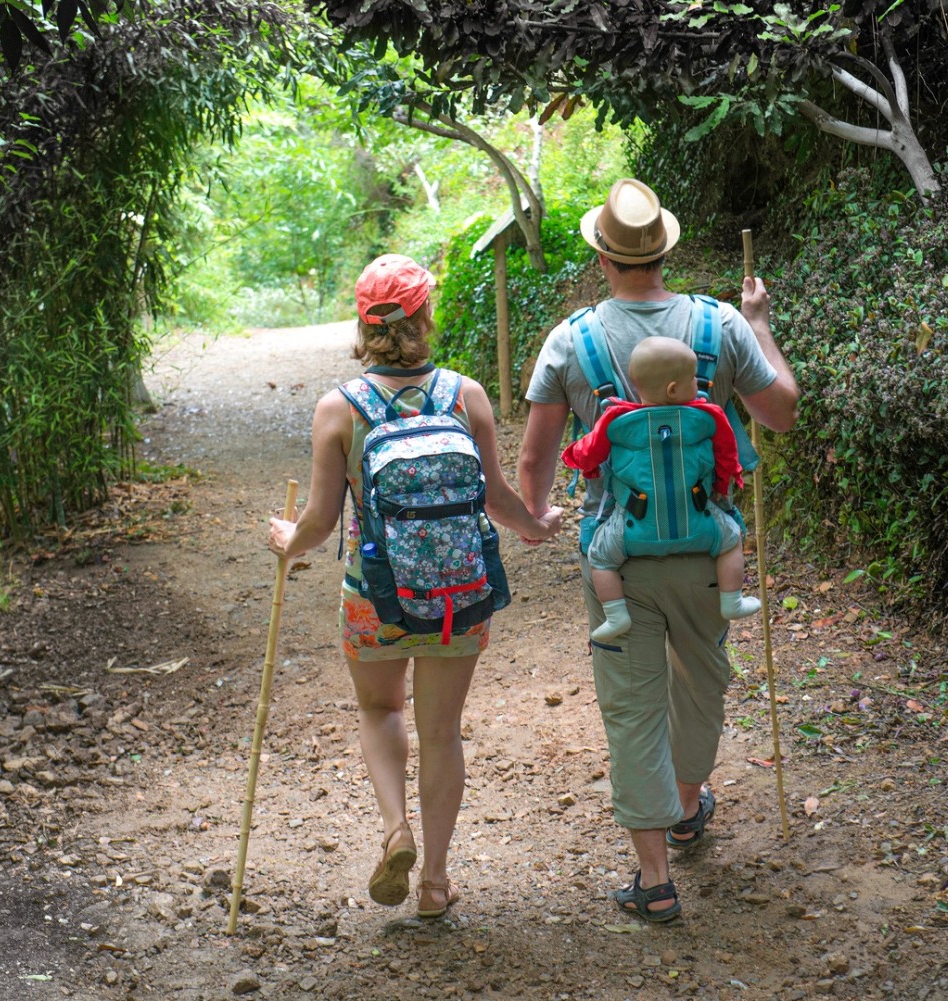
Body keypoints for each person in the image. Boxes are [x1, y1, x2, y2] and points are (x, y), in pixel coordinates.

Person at [518, 179, 799, 922]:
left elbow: (536, 457)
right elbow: (781, 412)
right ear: (665, 251)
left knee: (634, 704)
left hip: (618, 553)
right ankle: (685, 802)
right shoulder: (719, 325)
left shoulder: (570, 339)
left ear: (602, 257)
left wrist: (534, 516)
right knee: (702, 681)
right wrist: (759, 323)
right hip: (711, 549)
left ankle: (655, 877)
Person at [269, 253, 562, 919]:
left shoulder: (338, 409)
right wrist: (534, 525)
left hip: (376, 596)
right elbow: (496, 498)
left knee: (380, 710)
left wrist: (288, 542)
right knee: (442, 731)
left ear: (363, 324)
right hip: (460, 595)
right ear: (425, 316)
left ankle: (395, 828)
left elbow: (319, 522)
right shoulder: (466, 395)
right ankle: (434, 880)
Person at [561, 335, 762, 643]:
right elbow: (727, 456)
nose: (698, 382)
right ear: (673, 388)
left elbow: (587, 453)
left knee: (600, 557)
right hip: (700, 525)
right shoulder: (708, 418)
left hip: (631, 532)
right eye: (693, 377)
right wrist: (722, 487)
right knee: (732, 540)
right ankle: (732, 600)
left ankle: (616, 616)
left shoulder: (616, 420)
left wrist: (579, 462)